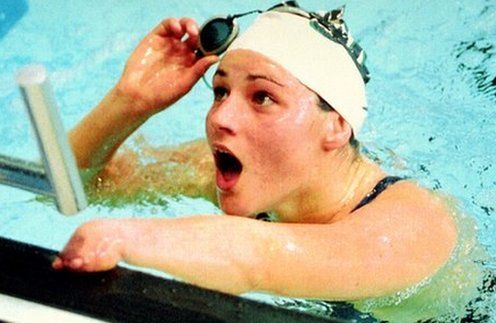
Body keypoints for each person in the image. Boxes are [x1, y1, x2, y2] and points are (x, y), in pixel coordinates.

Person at [52, 4, 460, 303]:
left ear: (336, 126)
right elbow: (74, 187)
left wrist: (121, 237)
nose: (220, 118)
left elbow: (257, 256)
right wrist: (128, 103)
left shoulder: (412, 224)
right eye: (221, 91)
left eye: (262, 97)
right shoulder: (254, 175)